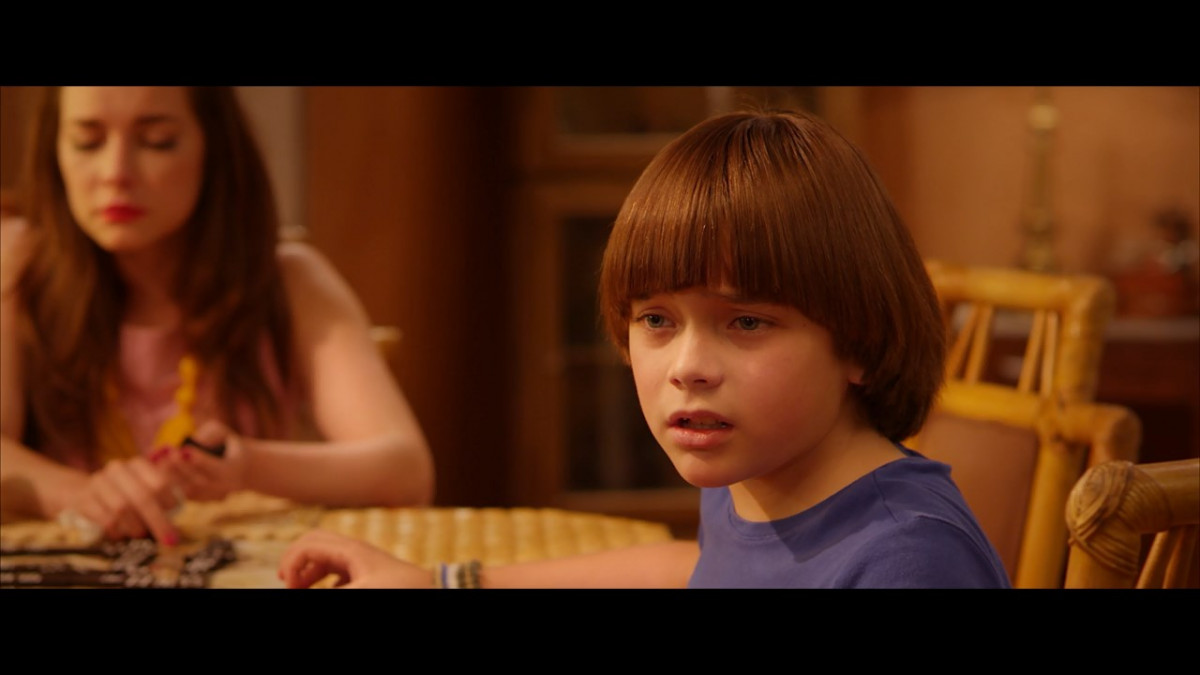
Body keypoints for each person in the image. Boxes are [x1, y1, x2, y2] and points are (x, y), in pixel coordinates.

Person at [276, 108, 1011, 588]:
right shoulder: (760, 468)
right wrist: (445, 581)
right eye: (657, 320)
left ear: (862, 340)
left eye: (746, 323)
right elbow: (699, 570)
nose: (688, 367)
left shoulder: (906, 559)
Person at [0, 86, 435, 547]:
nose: (115, 173)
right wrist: (79, 493)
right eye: (87, 142)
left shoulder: (287, 281)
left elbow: (405, 470)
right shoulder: (19, 265)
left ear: (214, 146)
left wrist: (249, 466)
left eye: (158, 141)